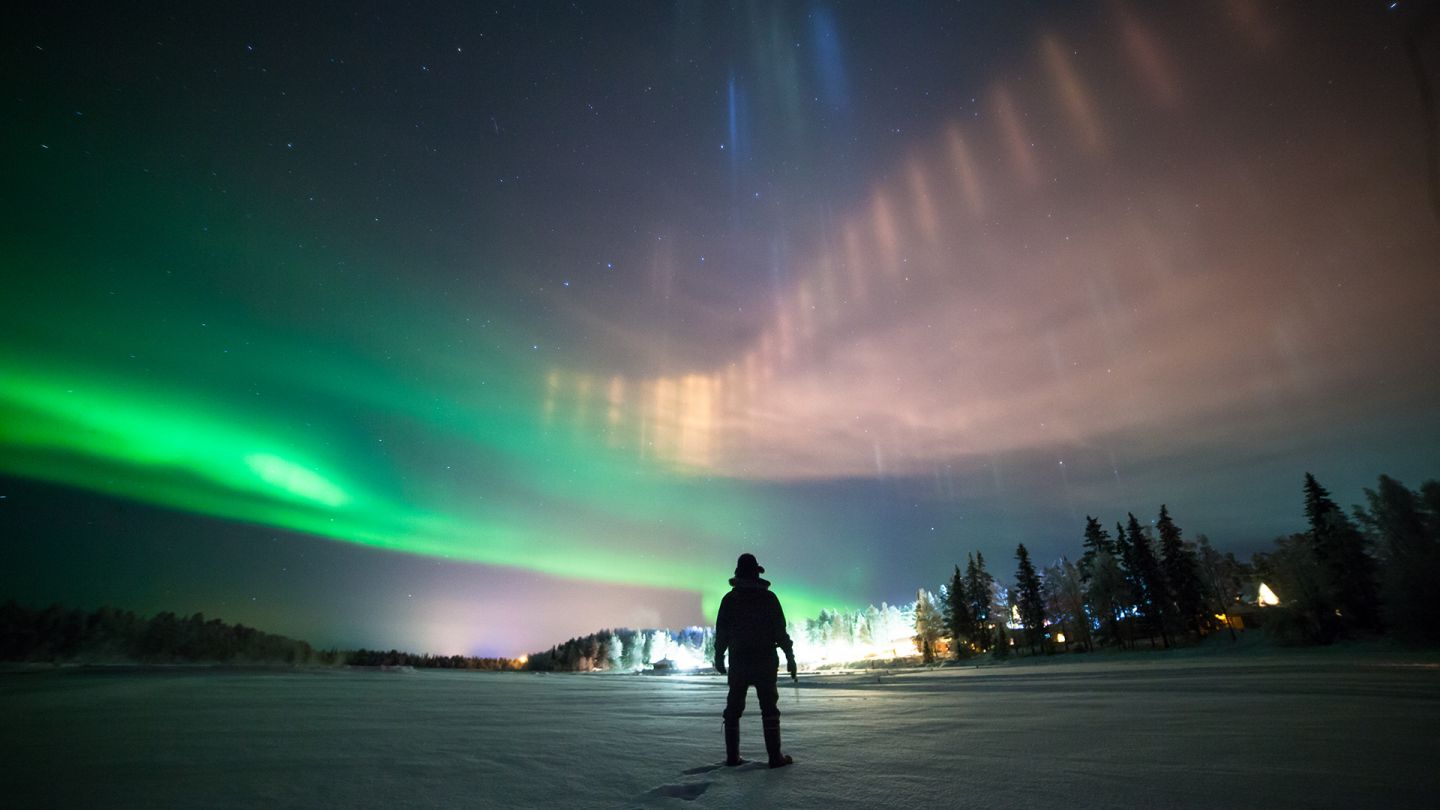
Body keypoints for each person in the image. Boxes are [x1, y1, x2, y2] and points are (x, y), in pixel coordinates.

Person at [713, 553, 796, 768]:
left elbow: (722, 633)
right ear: (757, 572)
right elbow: (780, 632)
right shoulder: (769, 599)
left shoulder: (730, 600)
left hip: (739, 662)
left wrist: (719, 656)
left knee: (733, 709)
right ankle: (775, 758)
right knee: (769, 708)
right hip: (765, 662)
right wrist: (790, 656)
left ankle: (733, 758)